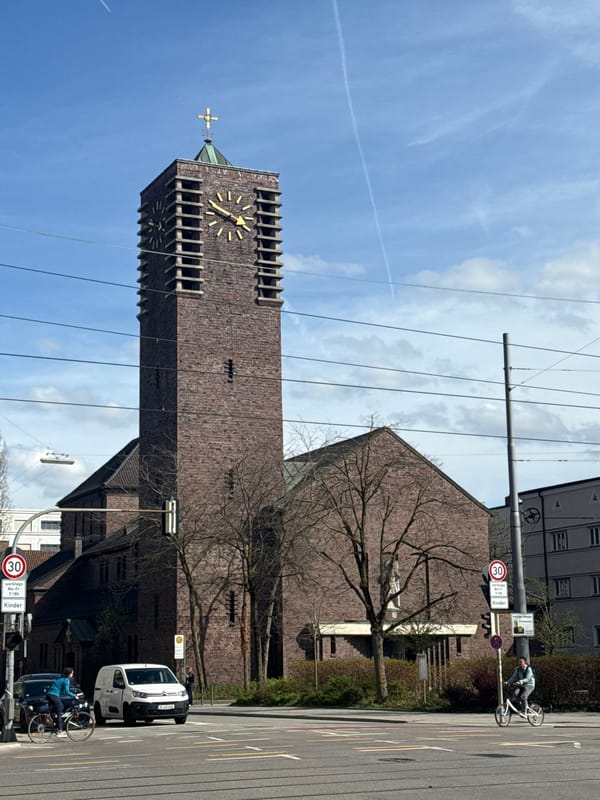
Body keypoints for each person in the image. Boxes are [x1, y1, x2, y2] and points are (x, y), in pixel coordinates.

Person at [46, 667, 78, 737]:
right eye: (72, 673)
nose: (72, 674)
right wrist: (74, 696)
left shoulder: (60, 679)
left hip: (49, 695)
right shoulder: (66, 680)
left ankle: (52, 718)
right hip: (54, 695)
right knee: (59, 711)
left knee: (61, 707)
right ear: (69, 674)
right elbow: (66, 691)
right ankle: (60, 731)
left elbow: (62, 690)